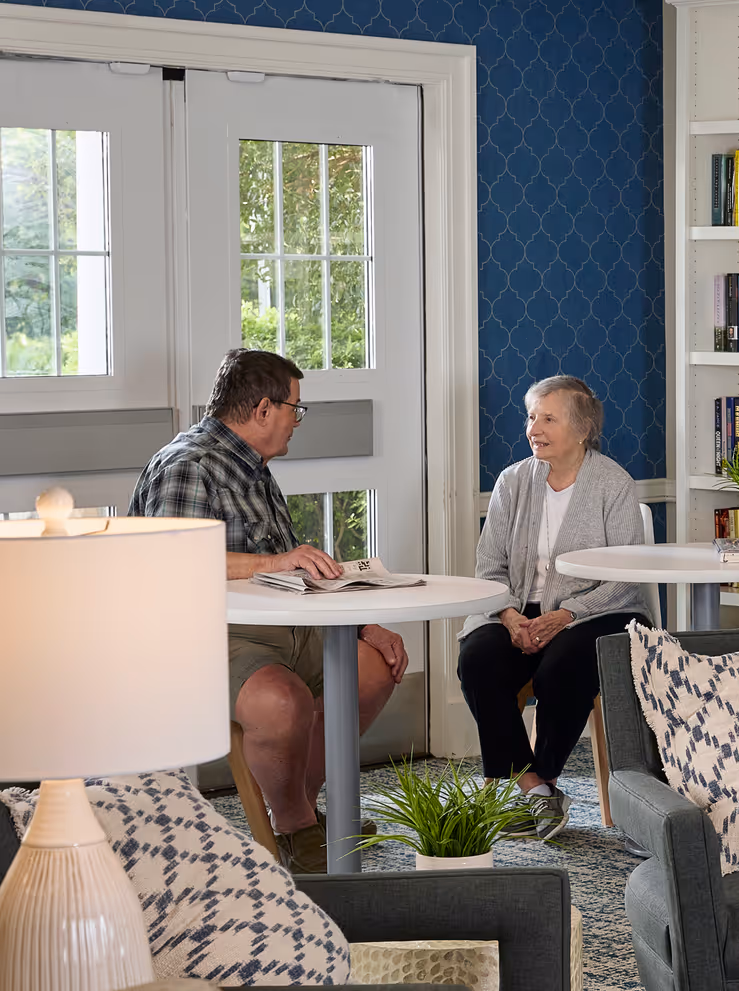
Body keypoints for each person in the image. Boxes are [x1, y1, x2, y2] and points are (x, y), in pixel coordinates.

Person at [128, 348, 409, 874]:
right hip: (213, 636)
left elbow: (291, 572)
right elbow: (173, 560)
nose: (296, 422)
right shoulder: (188, 467)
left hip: (288, 625)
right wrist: (278, 560)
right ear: (262, 410)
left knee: (375, 668)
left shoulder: (252, 465)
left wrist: (363, 623)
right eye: (294, 410)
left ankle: (294, 807)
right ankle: (299, 826)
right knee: (283, 704)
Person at [457, 375, 654, 838]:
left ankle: (543, 776)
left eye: (548, 418)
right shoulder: (512, 481)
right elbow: (489, 567)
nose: (534, 428)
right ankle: (535, 790)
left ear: (583, 429)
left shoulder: (613, 484)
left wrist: (567, 615)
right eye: (531, 417)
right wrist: (508, 615)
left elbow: (627, 578)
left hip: (600, 609)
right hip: (519, 607)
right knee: (478, 658)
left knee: (562, 666)